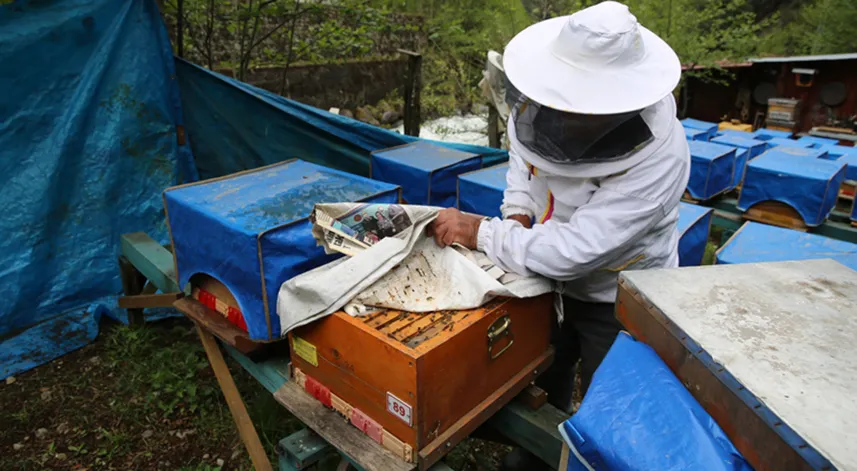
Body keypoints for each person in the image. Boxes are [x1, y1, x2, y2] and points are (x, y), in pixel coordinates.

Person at [429, 3, 689, 468]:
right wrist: (517, 216)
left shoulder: (660, 158)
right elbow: (525, 168)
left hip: (621, 291)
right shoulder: (536, 106)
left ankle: (588, 453)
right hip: (543, 271)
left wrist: (484, 232)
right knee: (545, 360)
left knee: (610, 399)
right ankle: (537, 450)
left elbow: (577, 251)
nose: (568, 116)